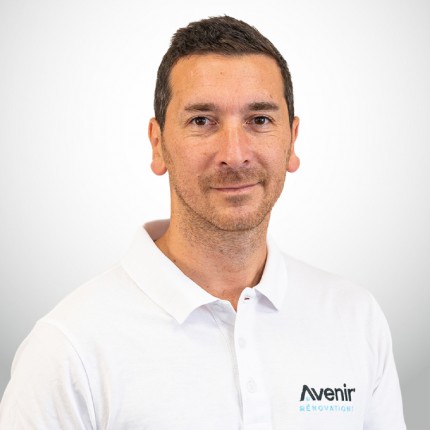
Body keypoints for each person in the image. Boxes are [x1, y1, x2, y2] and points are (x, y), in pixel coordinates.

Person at [0, 15, 406, 429]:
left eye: (260, 120)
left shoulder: (355, 318)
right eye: (202, 121)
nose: (235, 154)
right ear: (158, 144)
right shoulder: (68, 350)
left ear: (292, 140)